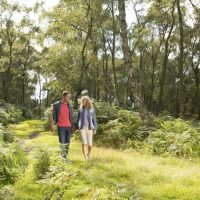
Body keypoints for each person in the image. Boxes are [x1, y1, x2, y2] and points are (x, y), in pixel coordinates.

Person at [51, 91, 73, 162]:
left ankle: (65, 157)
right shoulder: (56, 105)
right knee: (62, 142)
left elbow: (71, 117)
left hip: (69, 127)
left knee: (67, 143)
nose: (69, 98)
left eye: (70, 97)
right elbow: (52, 115)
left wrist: (72, 126)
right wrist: (52, 125)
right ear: (63, 97)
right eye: (68, 97)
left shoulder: (69, 106)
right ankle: (63, 158)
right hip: (61, 127)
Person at [77, 96, 97, 161]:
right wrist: (78, 126)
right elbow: (78, 119)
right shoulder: (80, 110)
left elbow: (94, 120)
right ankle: (86, 157)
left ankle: (88, 154)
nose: (83, 102)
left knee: (90, 144)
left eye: (84, 101)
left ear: (88, 101)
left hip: (90, 128)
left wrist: (95, 129)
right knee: (85, 143)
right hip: (82, 128)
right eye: (82, 101)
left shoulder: (92, 109)